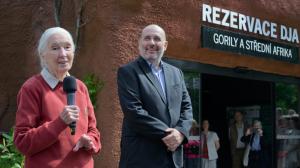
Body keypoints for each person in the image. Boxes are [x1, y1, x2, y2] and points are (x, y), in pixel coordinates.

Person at [13, 27, 101, 168]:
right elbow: (22, 142)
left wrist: (90, 140)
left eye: (67, 47)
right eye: (55, 48)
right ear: (42, 55)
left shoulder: (80, 87)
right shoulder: (32, 88)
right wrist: (59, 123)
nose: (63, 54)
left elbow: (93, 131)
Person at [117, 24, 193, 168]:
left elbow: (186, 107)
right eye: (147, 38)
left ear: (165, 45)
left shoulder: (176, 73)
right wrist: (170, 136)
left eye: (157, 39)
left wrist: (181, 133)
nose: (151, 43)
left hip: (172, 158)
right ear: (140, 43)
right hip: (141, 158)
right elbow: (134, 112)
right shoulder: (128, 72)